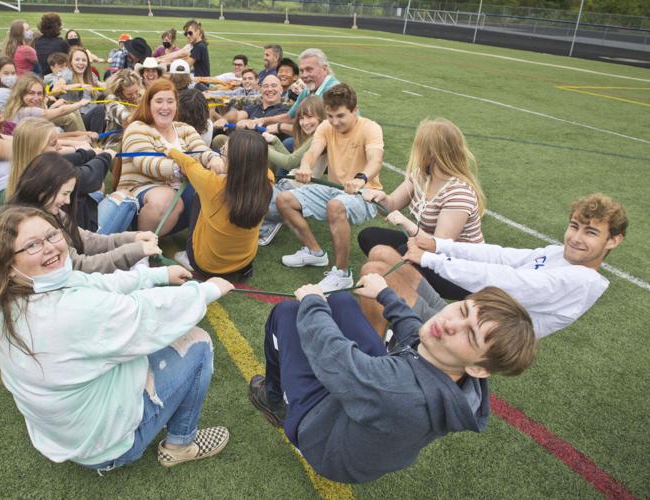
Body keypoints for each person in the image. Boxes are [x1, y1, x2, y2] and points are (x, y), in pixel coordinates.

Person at [0, 205, 234, 471]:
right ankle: (180, 445)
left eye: (51, 235)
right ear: (8, 265)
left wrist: (156, 274)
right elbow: (145, 312)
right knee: (197, 342)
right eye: (32, 245)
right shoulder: (72, 310)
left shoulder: (6, 299)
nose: (49, 247)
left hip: (64, 435)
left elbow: (94, 282)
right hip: (104, 446)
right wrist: (207, 291)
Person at [247, 276, 536, 483]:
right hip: (369, 418)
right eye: (462, 310)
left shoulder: (400, 391)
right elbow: (416, 336)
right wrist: (385, 294)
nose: (449, 323)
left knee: (286, 313)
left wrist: (312, 303)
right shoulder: (455, 370)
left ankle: (274, 399)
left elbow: (333, 358)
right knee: (343, 302)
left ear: (479, 369)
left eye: (470, 334)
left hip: (324, 438)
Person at [363, 193, 627, 338]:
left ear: (613, 241)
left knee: (374, 271)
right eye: (574, 226)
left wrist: (431, 259)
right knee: (382, 253)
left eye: (591, 232)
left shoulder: (582, 280)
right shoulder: (559, 254)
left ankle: (377, 353)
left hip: (473, 338)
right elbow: (501, 256)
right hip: (464, 315)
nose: (576, 238)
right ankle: (389, 338)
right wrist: (438, 245)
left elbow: (506, 281)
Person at [355, 118, 486, 334]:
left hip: (458, 268)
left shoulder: (459, 192)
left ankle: (400, 315)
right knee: (371, 240)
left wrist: (406, 223)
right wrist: (380, 198)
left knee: (396, 258)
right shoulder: (420, 176)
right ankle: (390, 303)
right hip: (423, 245)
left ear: (432, 153)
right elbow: (391, 205)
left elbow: (439, 246)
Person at [277, 83, 384, 292]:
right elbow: (312, 152)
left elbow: (376, 160)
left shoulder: (370, 128)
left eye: (341, 116)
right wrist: (305, 166)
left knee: (335, 205)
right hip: (335, 189)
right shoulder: (326, 126)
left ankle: (342, 275)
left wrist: (361, 179)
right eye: (330, 116)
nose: (335, 122)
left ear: (355, 110)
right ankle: (314, 252)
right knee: (284, 199)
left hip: (366, 193)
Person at [106, 79, 224, 235]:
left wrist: (213, 159)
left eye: (170, 101)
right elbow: (147, 163)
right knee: (166, 198)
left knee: (214, 187)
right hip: (141, 195)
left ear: (176, 105)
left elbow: (201, 150)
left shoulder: (185, 129)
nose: (165, 107)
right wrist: (182, 167)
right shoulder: (137, 128)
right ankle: (140, 244)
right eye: (159, 101)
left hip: (179, 194)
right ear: (148, 104)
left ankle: (197, 244)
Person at [9, 152, 161, 273]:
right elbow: (79, 266)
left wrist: (133, 238)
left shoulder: (50, 211)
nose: (68, 201)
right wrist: (133, 251)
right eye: (65, 193)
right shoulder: (30, 225)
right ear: (45, 188)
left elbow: (87, 240)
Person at [167, 130, 274, 278]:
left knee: (198, 196)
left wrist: (171, 150)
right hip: (244, 262)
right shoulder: (268, 180)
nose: (220, 153)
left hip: (206, 265)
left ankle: (188, 257)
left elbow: (189, 164)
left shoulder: (211, 183)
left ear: (234, 162)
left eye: (223, 152)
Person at [7, 117, 112, 231]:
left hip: (75, 222)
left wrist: (90, 153)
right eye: (53, 144)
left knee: (100, 188)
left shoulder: (27, 172)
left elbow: (71, 158)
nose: (60, 147)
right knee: (123, 196)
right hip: (82, 232)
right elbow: (89, 178)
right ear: (36, 149)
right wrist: (106, 156)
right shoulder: (50, 176)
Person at [258, 95, 327, 246]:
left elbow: (289, 162)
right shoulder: (312, 136)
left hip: (295, 192)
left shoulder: (317, 137)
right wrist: (275, 141)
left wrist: (259, 148)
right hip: (289, 187)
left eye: (310, 117)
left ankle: (269, 225)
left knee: (254, 197)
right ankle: (271, 218)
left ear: (321, 116)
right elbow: (293, 163)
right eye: (301, 118)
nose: (305, 122)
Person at [257, 48, 340, 134]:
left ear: (324, 69)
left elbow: (319, 130)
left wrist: (280, 127)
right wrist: (261, 121)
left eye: (309, 70)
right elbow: (290, 117)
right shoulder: (307, 89)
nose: (304, 75)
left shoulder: (334, 92)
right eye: (302, 71)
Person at [4, 73, 89, 134]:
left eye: (39, 93)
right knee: (69, 117)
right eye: (31, 93)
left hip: (34, 134)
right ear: (21, 93)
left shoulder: (18, 106)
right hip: (32, 146)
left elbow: (42, 115)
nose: (36, 98)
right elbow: (61, 111)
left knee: (73, 111)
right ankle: (84, 142)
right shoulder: (26, 111)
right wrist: (81, 103)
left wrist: (54, 105)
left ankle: (85, 138)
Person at [101, 69, 143, 149]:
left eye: (136, 91)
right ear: (119, 92)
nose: (134, 96)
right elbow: (127, 119)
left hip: (138, 139)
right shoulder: (111, 100)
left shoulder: (141, 96)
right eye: (129, 94)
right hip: (116, 145)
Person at [34, 12, 69, 76]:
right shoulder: (62, 44)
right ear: (57, 27)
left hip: (37, 77)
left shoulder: (35, 42)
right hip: (56, 77)